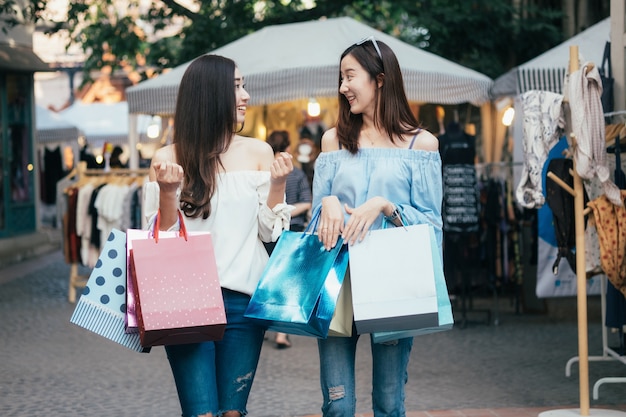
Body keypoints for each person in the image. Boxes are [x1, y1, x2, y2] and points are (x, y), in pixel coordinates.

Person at [146, 54, 293, 417]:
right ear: (209, 95)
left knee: (232, 413)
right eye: (236, 87)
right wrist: (168, 192)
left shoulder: (259, 152)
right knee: (202, 414)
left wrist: (278, 184)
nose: (245, 96)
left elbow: (268, 230)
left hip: (244, 300)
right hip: (185, 301)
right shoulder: (167, 158)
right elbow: (160, 243)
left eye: (243, 86)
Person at [312, 37, 443, 416]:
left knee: (388, 403)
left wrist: (386, 206)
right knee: (337, 407)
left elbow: (432, 227)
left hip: (394, 283)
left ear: (380, 79)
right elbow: (313, 229)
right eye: (341, 78)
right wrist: (327, 202)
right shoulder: (332, 141)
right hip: (337, 283)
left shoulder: (421, 145)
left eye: (350, 76)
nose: (342, 87)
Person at [264, 129, 313, 349]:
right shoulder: (295, 173)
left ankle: (263, 323)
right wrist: (288, 212)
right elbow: (307, 201)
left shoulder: (263, 169)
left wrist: (277, 212)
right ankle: (282, 333)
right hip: (290, 231)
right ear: (289, 147)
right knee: (286, 281)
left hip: (266, 231)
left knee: (264, 278)